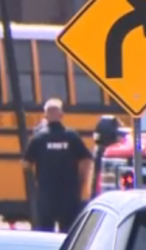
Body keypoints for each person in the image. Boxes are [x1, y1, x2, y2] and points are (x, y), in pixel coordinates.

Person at [22, 98, 93, 233]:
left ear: (45, 116)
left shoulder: (39, 138)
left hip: (46, 193)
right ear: (62, 115)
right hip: (69, 193)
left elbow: (26, 163)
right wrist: (82, 183)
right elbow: (86, 160)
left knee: (45, 232)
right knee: (68, 234)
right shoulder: (72, 137)